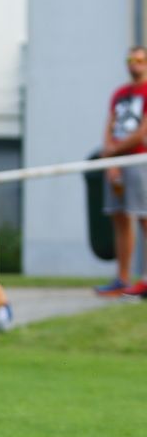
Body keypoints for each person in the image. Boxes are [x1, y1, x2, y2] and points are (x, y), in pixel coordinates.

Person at [95, 45, 147, 296]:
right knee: (120, 219)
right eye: (130, 60)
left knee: (143, 216)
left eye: (139, 60)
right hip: (116, 164)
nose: (134, 64)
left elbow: (142, 132)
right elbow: (110, 126)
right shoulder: (119, 93)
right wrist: (110, 161)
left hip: (139, 161)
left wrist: (114, 151)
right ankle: (122, 279)